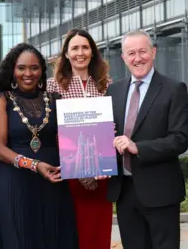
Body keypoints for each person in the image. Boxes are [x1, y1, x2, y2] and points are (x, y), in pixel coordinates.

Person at [98, 29, 188, 249]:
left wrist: (137, 147)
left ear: (154, 52)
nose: (137, 58)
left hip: (161, 192)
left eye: (142, 51)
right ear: (123, 57)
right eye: (131, 53)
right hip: (125, 192)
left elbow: (179, 140)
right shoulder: (114, 91)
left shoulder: (174, 89)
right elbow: (107, 135)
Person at [0, 43, 78, 249]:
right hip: (15, 185)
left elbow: (75, 139)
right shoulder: (2, 100)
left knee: (56, 239)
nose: (28, 73)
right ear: (13, 70)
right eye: (21, 68)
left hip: (54, 183)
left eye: (34, 68)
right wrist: (35, 165)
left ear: (42, 70)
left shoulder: (55, 99)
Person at [46, 28, 113, 249]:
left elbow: (113, 126)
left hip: (101, 175)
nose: (80, 53)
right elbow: (49, 128)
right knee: (71, 234)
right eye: (74, 48)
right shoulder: (53, 86)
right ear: (66, 53)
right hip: (67, 174)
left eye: (85, 47)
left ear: (93, 52)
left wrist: (97, 166)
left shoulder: (106, 84)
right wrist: (78, 167)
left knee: (98, 232)